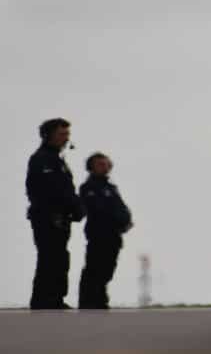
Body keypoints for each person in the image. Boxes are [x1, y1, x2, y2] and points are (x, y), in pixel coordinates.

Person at [26, 118, 84, 310]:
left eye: (67, 134)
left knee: (59, 258)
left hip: (61, 219)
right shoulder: (41, 159)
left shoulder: (57, 160)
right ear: (48, 135)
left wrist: (76, 209)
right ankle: (44, 301)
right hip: (47, 218)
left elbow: (66, 191)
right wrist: (53, 213)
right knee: (49, 258)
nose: (66, 138)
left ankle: (55, 299)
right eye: (61, 134)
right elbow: (41, 191)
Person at [78, 152, 133, 309]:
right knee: (95, 268)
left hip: (114, 235)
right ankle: (89, 302)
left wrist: (126, 221)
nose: (105, 167)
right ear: (91, 168)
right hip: (98, 234)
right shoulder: (89, 187)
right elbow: (99, 209)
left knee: (108, 268)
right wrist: (117, 220)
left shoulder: (111, 187)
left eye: (106, 163)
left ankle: (100, 300)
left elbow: (120, 207)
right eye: (100, 164)